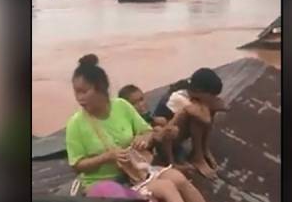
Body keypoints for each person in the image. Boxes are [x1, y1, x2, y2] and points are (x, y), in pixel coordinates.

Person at [66, 54, 206, 202]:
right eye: (77, 92)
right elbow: (77, 166)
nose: (79, 98)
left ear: (100, 89)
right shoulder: (75, 124)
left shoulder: (121, 106)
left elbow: (147, 131)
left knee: (178, 179)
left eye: (84, 91)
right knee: (165, 188)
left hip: (134, 172)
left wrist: (143, 139)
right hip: (103, 182)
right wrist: (107, 157)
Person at [153, 68, 230, 179]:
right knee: (197, 117)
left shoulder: (194, 94)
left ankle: (204, 149)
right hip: (164, 141)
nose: (213, 97)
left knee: (205, 109)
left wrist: (212, 104)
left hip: (177, 135)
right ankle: (197, 157)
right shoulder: (179, 97)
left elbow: (223, 106)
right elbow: (206, 119)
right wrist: (211, 105)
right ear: (199, 90)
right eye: (211, 95)